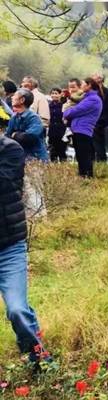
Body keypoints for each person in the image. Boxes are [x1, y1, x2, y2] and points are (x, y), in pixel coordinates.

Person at [0, 136, 49, 363]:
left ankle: (39, 358)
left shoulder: (10, 149)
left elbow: (6, 186)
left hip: (9, 248)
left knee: (17, 310)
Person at [63, 78, 103, 177]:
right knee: (80, 156)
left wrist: (66, 112)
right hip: (78, 129)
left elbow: (75, 110)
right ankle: (83, 177)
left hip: (83, 130)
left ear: (89, 85)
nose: (81, 86)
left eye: (83, 84)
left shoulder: (93, 99)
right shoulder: (87, 97)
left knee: (84, 156)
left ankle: (87, 177)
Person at [6, 89, 48, 161]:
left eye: (15, 95)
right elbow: (7, 135)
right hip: (21, 156)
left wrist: (15, 135)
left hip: (36, 157)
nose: (12, 97)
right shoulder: (14, 117)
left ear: (22, 100)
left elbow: (30, 137)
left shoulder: (33, 118)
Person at [61, 78, 85, 144]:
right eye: (70, 87)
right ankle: (68, 132)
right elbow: (63, 101)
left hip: (74, 109)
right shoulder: (70, 92)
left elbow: (79, 99)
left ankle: (69, 132)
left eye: (73, 87)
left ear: (79, 86)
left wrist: (70, 96)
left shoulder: (81, 92)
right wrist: (63, 96)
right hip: (68, 109)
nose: (71, 89)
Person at [48, 88, 68, 162]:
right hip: (52, 130)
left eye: (56, 93)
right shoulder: (49, 105)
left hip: (61, 130)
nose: (54, 95)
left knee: (62, 150)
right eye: (52, 93)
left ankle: (63, 166)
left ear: (60, 94)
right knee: (53, 151)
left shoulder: (64, 105)